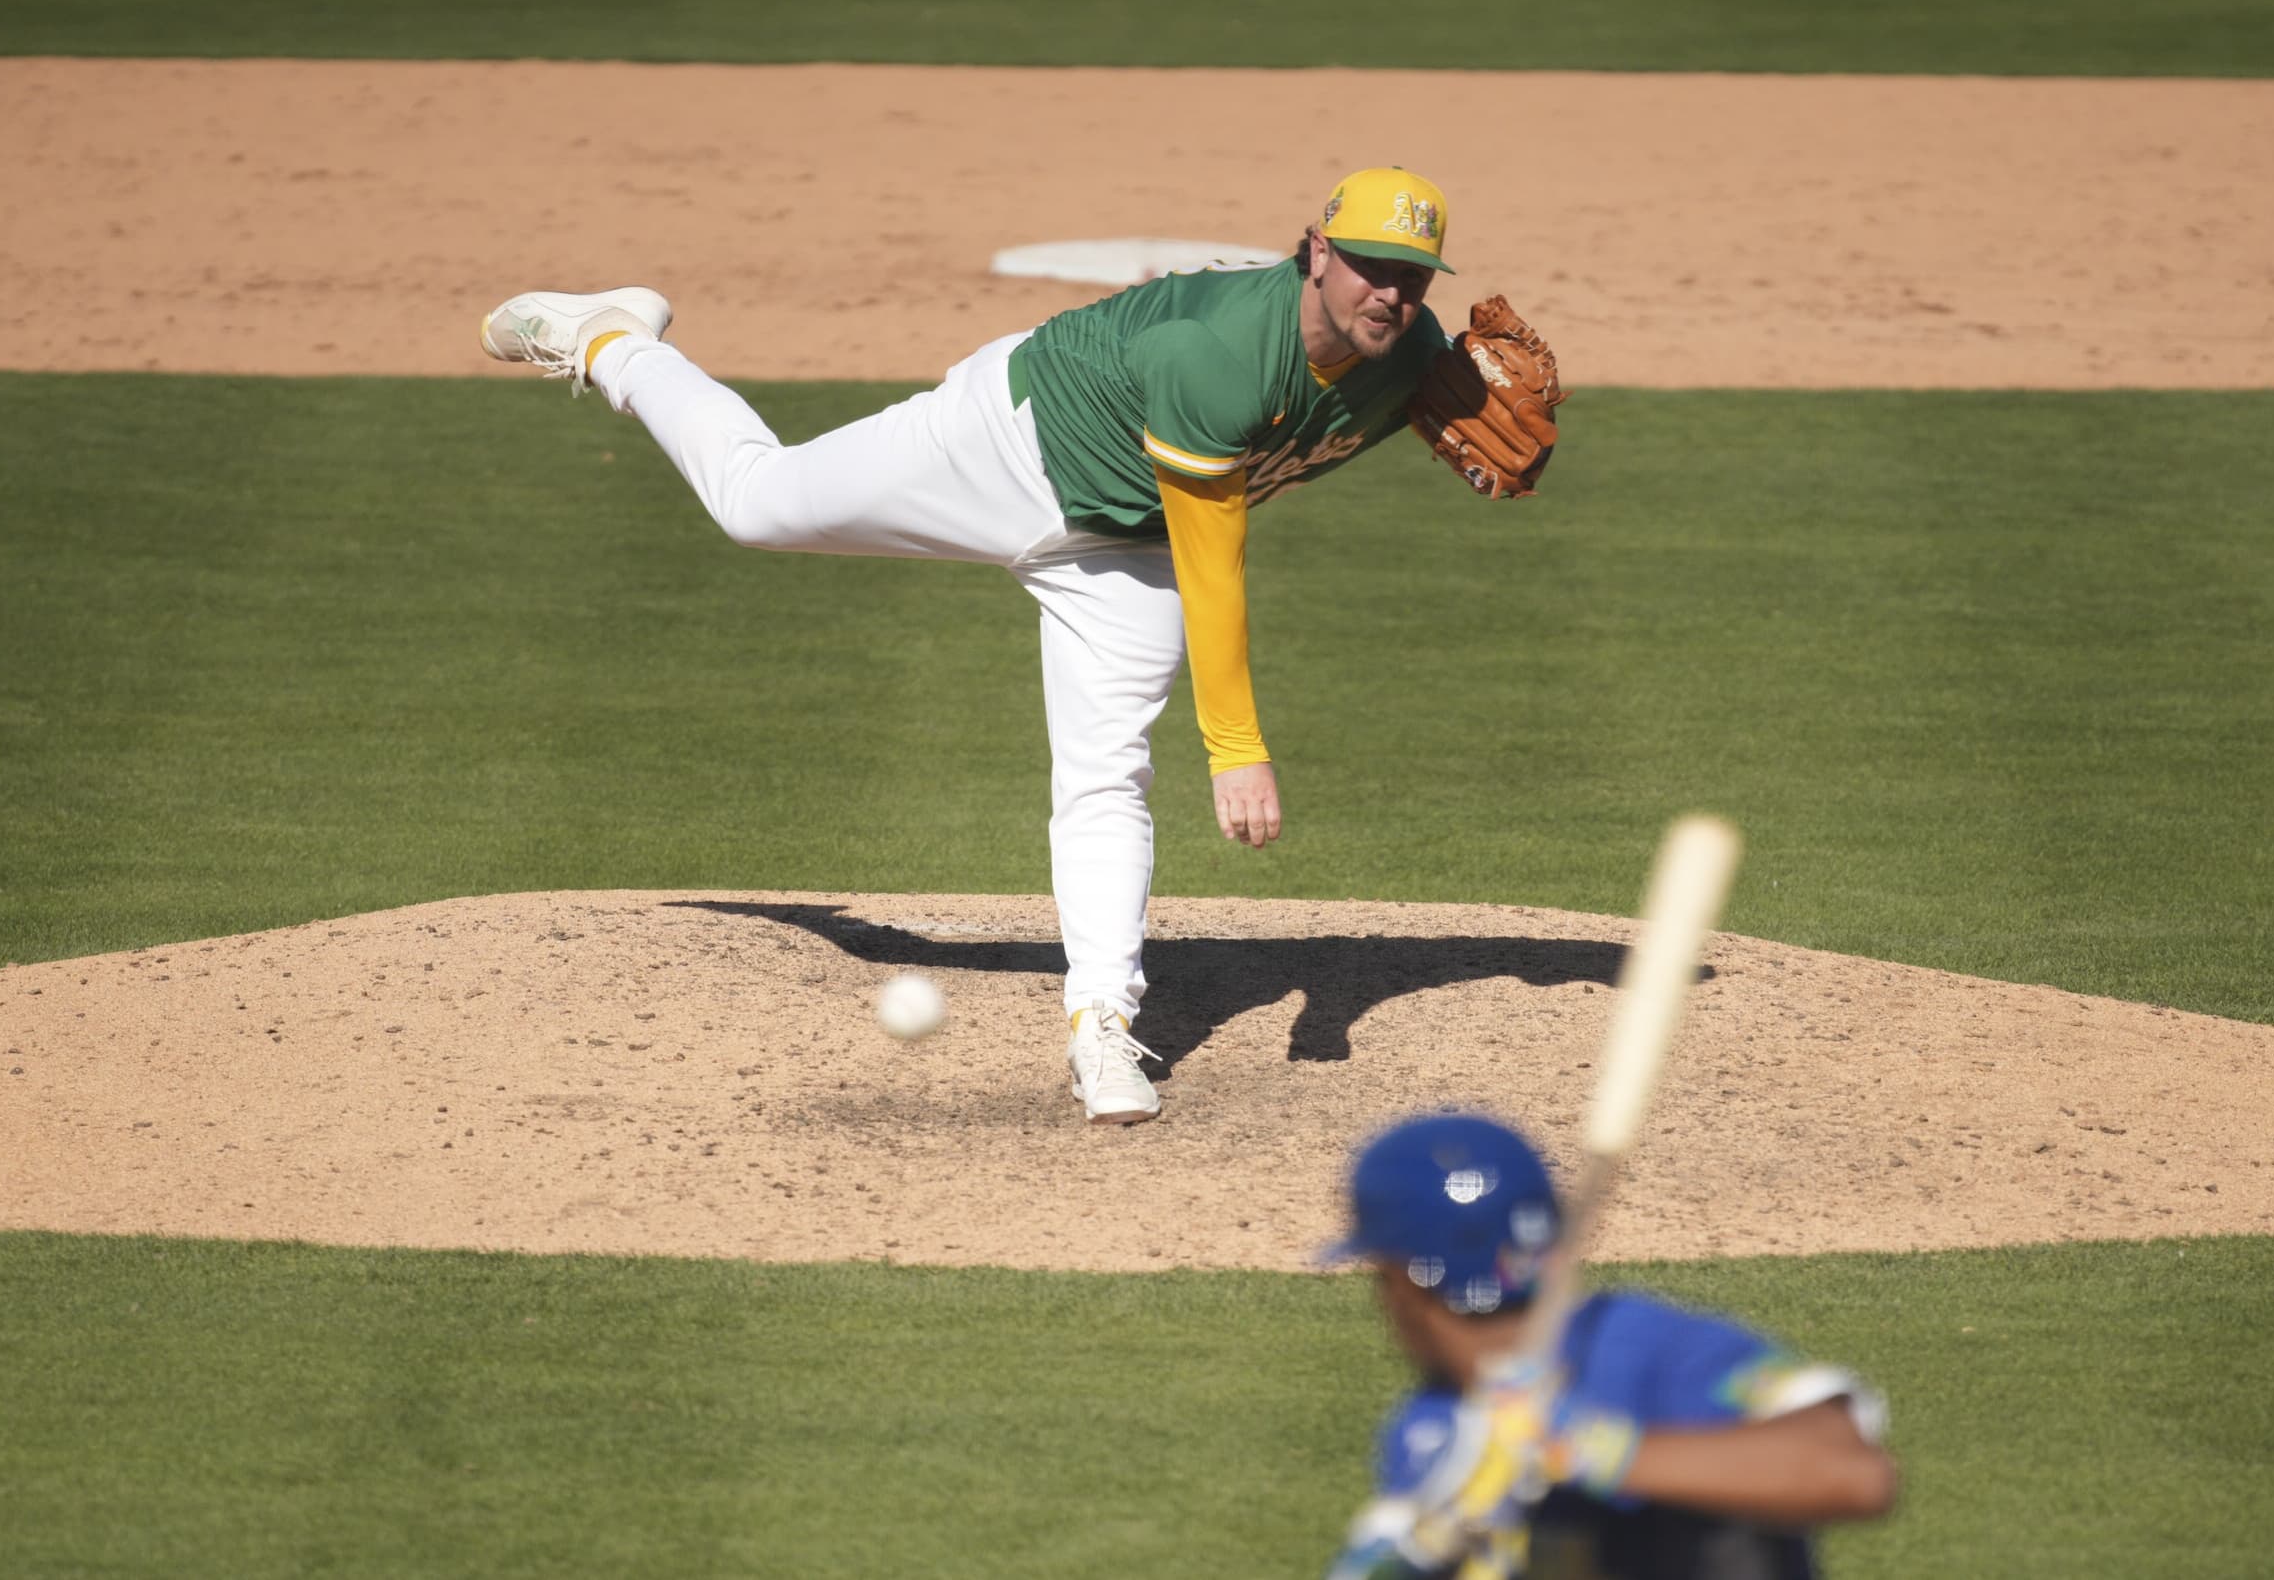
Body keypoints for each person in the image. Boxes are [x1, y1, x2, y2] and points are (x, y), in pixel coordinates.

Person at [479, 168, 1463, 1126]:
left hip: (1124, 542)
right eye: (1372, 265)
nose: (1391, 293)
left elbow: (1464, 420)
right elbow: (1214, 560)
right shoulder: (1218, 354)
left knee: (1107, 770)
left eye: (1413, 277)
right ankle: (615, 338)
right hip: (1008, 444)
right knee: (757, 506)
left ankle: (1105, 1027)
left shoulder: (1413, 358)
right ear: (1320, 252)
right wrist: (1236, 747)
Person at [1321, 1114, 1898, 1579]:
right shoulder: (1435, 1425)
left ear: (1402, 1284)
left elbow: (1850, 1472)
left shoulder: (1649, 1347)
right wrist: (1413, 1546)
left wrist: (1586, 1447)